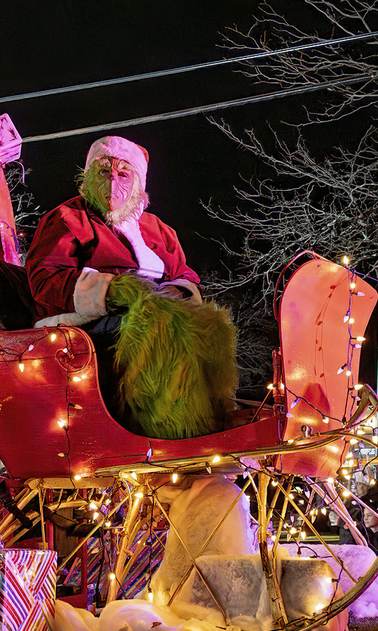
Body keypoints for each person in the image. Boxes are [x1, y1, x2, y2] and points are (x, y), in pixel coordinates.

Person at [23, 135, 234, 439]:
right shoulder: (67, 218)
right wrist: (115, 290)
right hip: (86, 322)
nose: (112, 182)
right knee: (159, 322)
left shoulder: (159, 230)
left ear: (138, 184)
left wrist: (179, 290)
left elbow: (184, 274)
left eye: (123, 174)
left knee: (213, 325)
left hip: (157, 310)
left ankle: (211, 422)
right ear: (87, 177)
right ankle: (161, 429)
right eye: (103, 172)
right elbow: (45, 277)